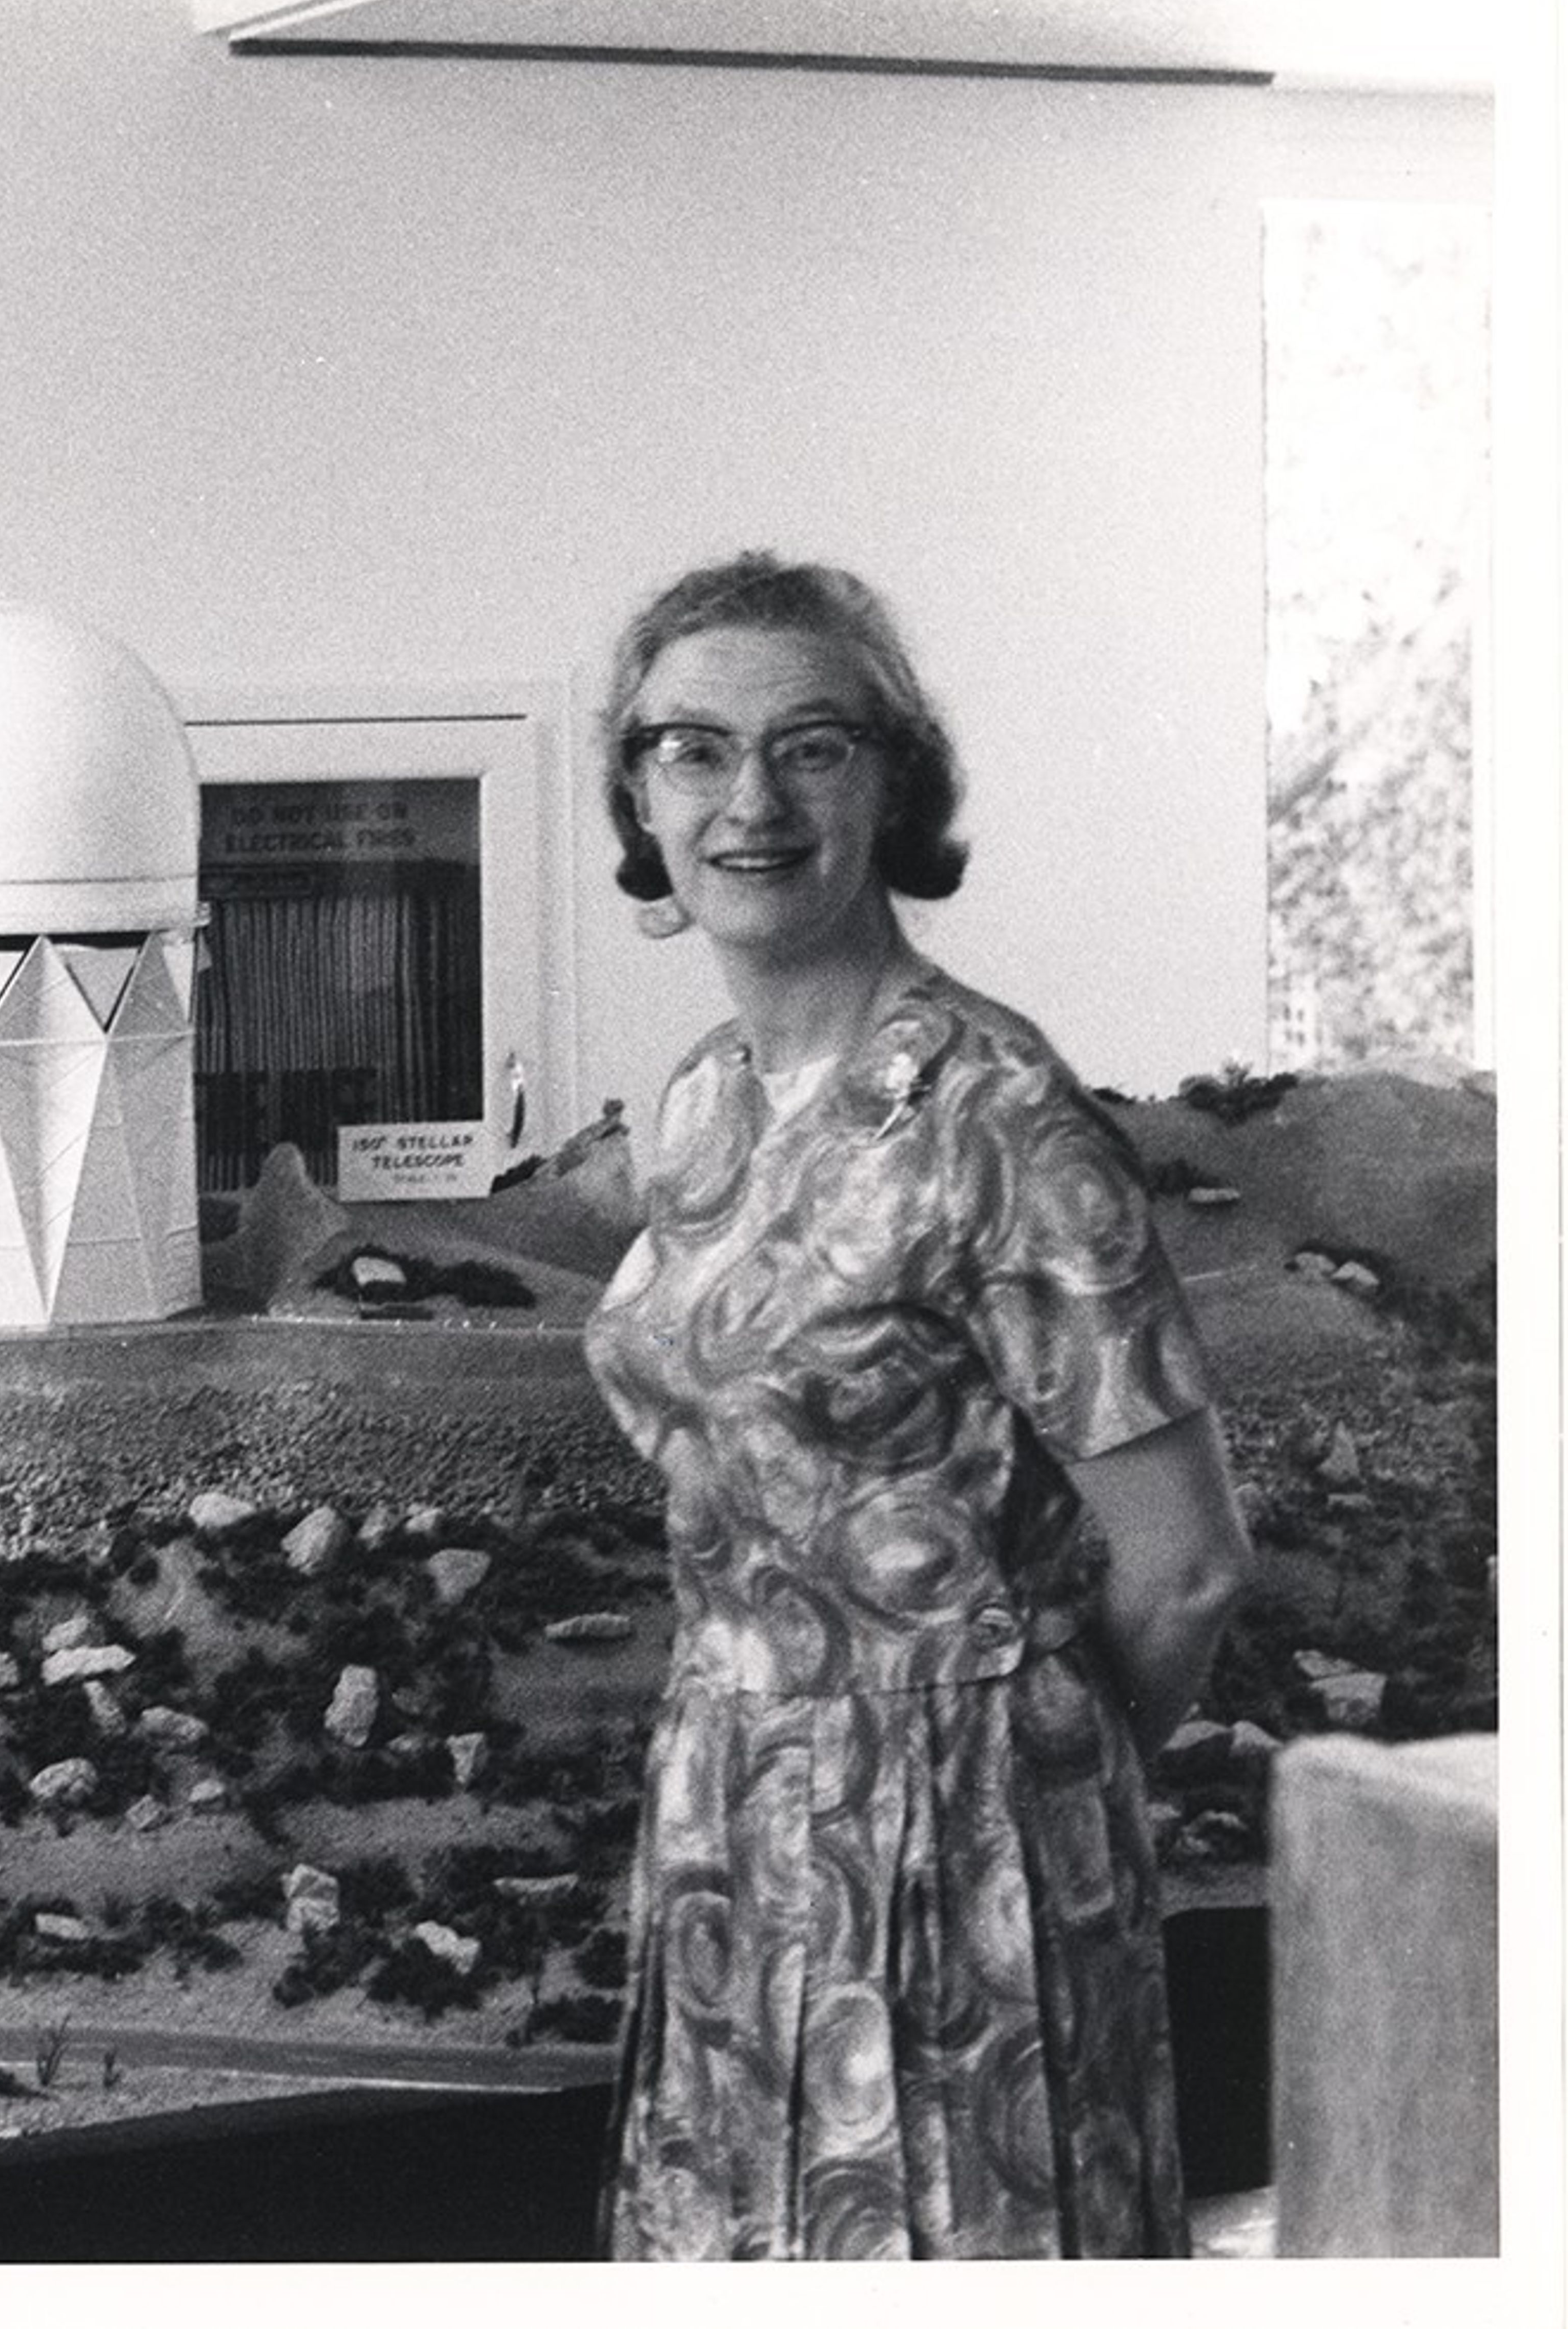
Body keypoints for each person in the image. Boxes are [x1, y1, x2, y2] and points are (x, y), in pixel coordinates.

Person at [578, 553, 1254, 2260]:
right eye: (693, 748)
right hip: (731, 1813)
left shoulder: (995, 1116)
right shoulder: (706, 1100)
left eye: (810, 747)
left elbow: (1182, 1564)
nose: (749, 800)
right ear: (638, 794)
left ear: (893, 783)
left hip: (959, 1838)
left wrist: (1019, 1775)